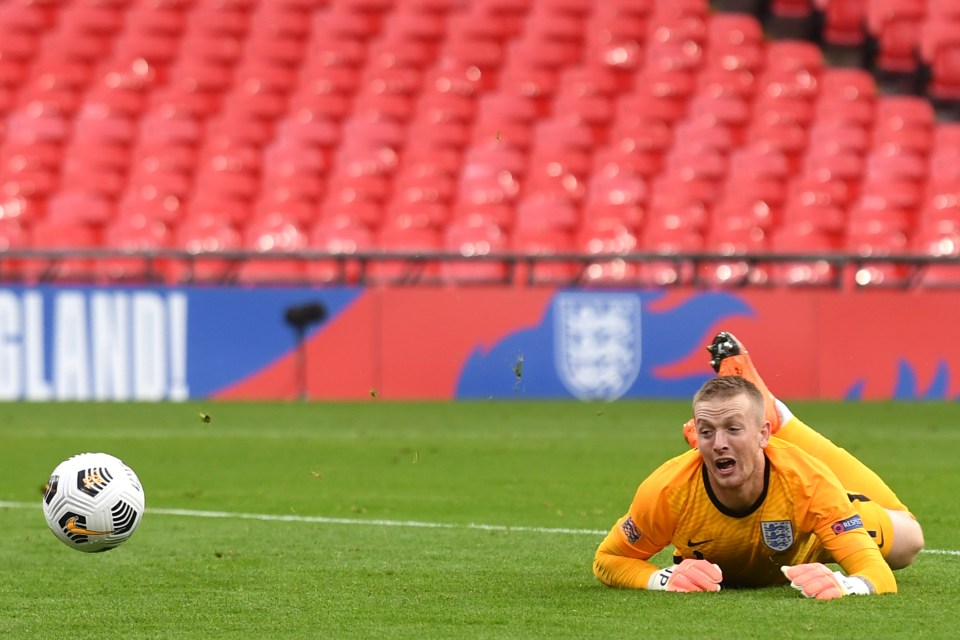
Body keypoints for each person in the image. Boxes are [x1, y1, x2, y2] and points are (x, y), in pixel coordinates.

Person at [593, 332, 924, 599]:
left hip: (814, 534)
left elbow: (876, 573)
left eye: (732, 429)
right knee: (730, 451)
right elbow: (608, 560)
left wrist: (846, 584)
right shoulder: (667, 490)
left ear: (762, 434)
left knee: (909, 540)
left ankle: (781, 420)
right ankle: (747, 432)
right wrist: (660, 580)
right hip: (757, 472)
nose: (718, 442)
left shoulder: (809, 484)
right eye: (707, 432)